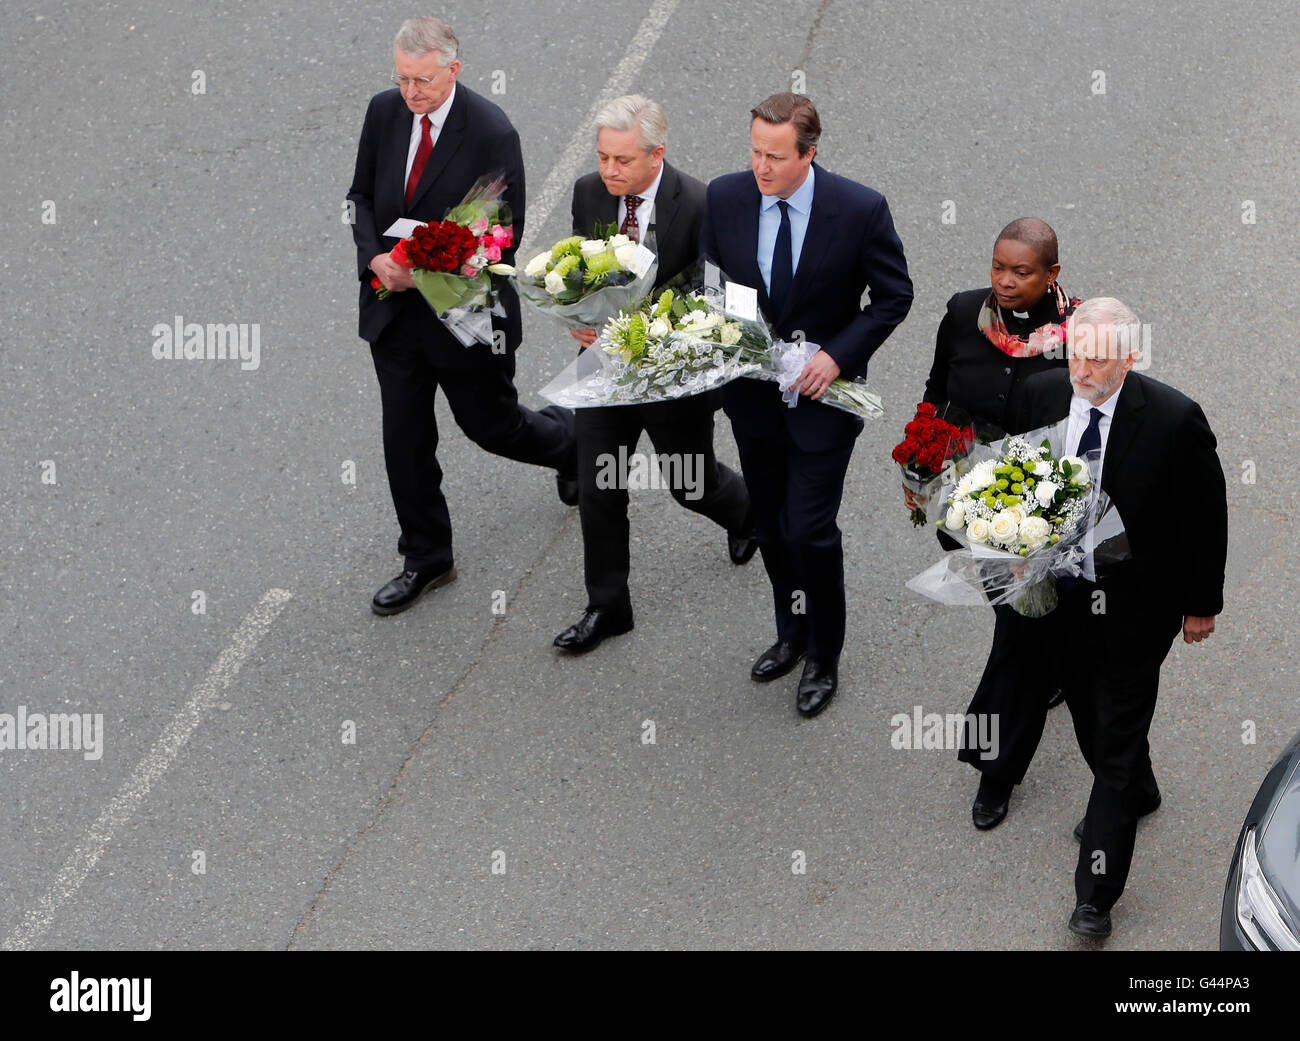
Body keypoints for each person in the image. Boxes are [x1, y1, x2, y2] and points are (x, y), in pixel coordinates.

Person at [1011, 297, 1227, 939]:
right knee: (1083, 707)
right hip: (1061, 599)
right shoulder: (1039, 395)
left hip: (1138, 608)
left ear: (1130, 357)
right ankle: (1141, 788)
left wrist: (1201, 605)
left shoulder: (1173, 419)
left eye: (1099, 357)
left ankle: (1095, 898)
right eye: (1076, 351)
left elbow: (1205, 517)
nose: (1083, 367)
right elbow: (1015, 476)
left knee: (1117, 734)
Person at [347, 17, 578, 616]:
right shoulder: (383, 113)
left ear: (453, 69)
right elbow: (361, 198)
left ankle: (570, 446)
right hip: (394, 310)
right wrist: (377, 257)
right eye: (402, 79)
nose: (411, 93)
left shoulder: (491, 131)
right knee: (404, 437)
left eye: (423, 81)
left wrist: (422, 264)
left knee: (492, 427)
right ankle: (426, 556)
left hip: (463, 314)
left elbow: (501, 232)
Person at [701, 93, 912, 717]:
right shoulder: (725, 196)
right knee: (770, 520)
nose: (761, 167)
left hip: (823, 401)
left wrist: (837, 356)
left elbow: (893, 295)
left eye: (775, 156)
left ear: (808, 154)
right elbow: (712, 279)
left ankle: (824, 653)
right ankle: (790, 632)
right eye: (755, 152)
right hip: (753, 397)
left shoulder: (859, 208)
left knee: (810, 530)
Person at [553, 96, 755, 654]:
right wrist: (581, 318)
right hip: (605, 370)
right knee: (600, 483)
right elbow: (580, 269)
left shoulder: (700, 202)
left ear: (656, 153)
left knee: (690, 485)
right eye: (603, 158)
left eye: (622, 160)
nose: (609, 171)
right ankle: (607, 606)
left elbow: (722, 293)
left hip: (671, 377)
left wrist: (671, 333)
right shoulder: (588, 192)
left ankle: (747, 515)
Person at [908, 218, 1076, 831]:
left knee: (1018, 634)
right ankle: (1056, 667)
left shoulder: (1081, 334)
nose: (1005, 282)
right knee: (1031, 624)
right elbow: (937, 392)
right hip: (969, 499)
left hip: (1040, 512)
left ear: (1052, 274)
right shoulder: (961, 314)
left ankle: (996, 767)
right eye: (998, 268)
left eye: (1022, 272)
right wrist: (923, 464)